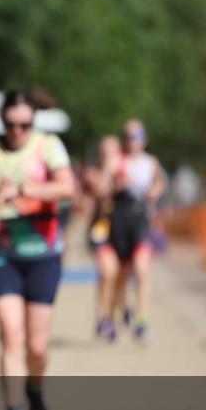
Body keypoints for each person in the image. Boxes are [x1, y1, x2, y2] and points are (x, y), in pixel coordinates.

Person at [0, 90, 75, 410]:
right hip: (4, 250)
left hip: (43, 251)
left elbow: (67, 187)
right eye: (11, 124)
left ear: (34, 121)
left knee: (37, 347)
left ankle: (36, 389)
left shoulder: (48, 145)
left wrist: (23, 188)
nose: (17, 132)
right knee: (11, 337)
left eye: (25, 124)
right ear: (2, 121)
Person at [108, 119, 165, 341]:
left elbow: (160, 184)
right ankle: (120, 311)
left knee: (142, 271)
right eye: (129, 136)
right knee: (120, 274)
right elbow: (104, 186)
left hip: (141, 220)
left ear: (144, 139)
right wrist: (116, 185)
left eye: (137, 136)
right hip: (120, 221)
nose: (133, 141)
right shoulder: (117, 161)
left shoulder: (151, 162)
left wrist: (155, 191)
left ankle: (142, 320)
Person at [82, 135, 124, 341]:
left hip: (123, 232)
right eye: (104, 152)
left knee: (118, 278)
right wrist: (108, 171)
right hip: (100, 231)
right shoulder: (93, 174)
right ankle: (103, 316)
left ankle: (110, 316)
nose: (108, 156)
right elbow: (100, 190)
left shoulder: (126, 172)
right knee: (108, 271)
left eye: (112, 152)